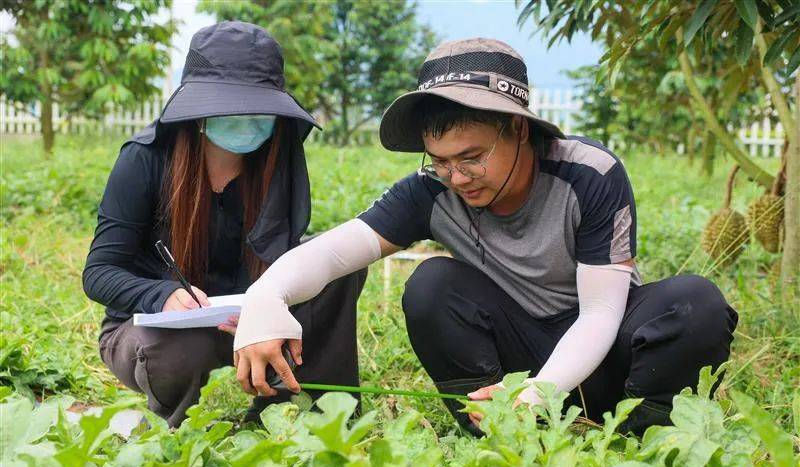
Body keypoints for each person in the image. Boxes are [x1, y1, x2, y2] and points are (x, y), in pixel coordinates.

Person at [232, 38, 738, 438]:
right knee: (432, 285)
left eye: (472, 157)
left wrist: (544, 389)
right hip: (514, 367)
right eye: (441, 161)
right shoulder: (433, 190)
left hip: (603, 352)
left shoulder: (588, 175)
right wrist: (265, 296)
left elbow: (602, 313)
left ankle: (647, 433)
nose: (457, 177)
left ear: (518, 129)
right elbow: (335, 250)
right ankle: (497, 427)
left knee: (694, 303)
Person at [82, 21, 367, 428]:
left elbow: (286, 255)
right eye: (230, 108)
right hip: (162, 331)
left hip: (251, 316)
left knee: (339, 264)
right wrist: (161, 294)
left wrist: (264, 303)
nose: (246, 120)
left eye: (259, 110)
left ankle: (316, 411)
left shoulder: (275, 157)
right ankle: (183, 425)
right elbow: (99, 273)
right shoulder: (145, 159)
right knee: (179, 350)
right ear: (198, 111)